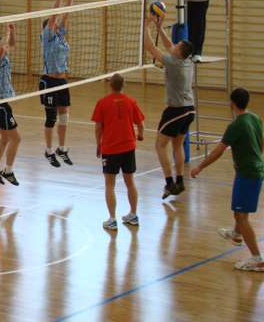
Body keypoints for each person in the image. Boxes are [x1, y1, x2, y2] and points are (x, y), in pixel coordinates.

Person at [191, 88, 264, 272]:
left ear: (232, 103)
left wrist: (200, 167)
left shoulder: (236, 126)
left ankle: (257, 258)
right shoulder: (254, 118)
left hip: (248, 174)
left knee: (241, 215)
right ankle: (237, 234)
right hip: (251, 170)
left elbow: (218, 151)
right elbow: (261, 143)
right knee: (239, 212)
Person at [144, 15, 195, 199]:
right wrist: (159, 28)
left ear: (179, 53)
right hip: (190, 109)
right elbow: (170, 46)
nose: (175, 45)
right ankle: (179, 182)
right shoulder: (188, 60)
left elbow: (150, 48)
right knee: (177, 145)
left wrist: (145, 26)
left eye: (178, 45)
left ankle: (169, 183)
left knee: (160, 146)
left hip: (176, 111)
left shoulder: (173, 63)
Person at [92, 74, 145, 230]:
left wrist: (98, 144)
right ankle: (133, 214)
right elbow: (140, 123)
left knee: (110, 184)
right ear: (123, 85)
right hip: (128, 147)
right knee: (130, 182)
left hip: (110, 148)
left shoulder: (102, 103)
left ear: (110, 85)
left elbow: (98, 128)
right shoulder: (131, 101)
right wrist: (140, 135)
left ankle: (112, 219)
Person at [40, 0, 75, 168]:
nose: (56, 25)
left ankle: (61, 148)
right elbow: (54, 15)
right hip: (49, 81)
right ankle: (49, 150)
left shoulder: (60, 36)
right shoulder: (47, 37)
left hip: (62, 81)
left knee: (64, 117)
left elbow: (66, 14)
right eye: (53, 24)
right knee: (51, 118)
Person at [0, 23, 21, 186]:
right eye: (2, 44)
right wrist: (7, 32)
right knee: (16, 139)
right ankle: (8, 170)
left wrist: (11, 31)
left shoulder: (2, 57)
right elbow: (5, 47)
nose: (5, 46)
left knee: (5, 138)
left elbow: (11, 44)